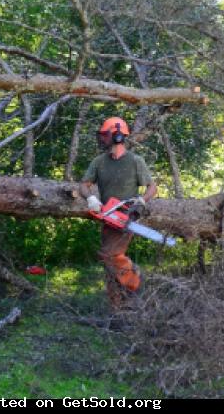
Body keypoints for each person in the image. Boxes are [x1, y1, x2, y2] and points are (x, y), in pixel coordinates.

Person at [79, 117, 157, 310]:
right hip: (107, 216)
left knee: (109, 255)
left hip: (126, 216)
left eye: (105, 135)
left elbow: (152, 187)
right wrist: (91, 198)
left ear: (118, 136)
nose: (102, 139)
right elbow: (83, 185)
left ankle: (134, 281)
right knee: (109, 263)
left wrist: (141, 200)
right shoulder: (99, 162)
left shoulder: (135, 161)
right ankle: (118, 307)